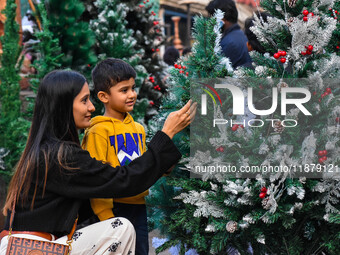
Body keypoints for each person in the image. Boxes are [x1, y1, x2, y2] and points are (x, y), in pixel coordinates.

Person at [0, 70, 197, 255]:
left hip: (38, 245)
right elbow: (123, 180)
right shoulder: (60, 156)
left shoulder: (46, 149)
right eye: (84, 100)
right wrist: (166, 134)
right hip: (41, 248)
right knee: (120, 228)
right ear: (64, 106)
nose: (92, 107)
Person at [81, 58, 152, 255]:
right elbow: (95, 177)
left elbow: (143, 166)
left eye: (132, 88)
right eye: (124, 90)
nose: (132, 95)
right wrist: (106, 215)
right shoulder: (98, 131)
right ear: (104, 96)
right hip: (113, 210)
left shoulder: (138, 128)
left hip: (139, 209)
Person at [206, 0, 251, 69]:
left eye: (212, 19)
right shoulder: (243, 36)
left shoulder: (227, 43)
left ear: (221, 19)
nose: (211, 23)